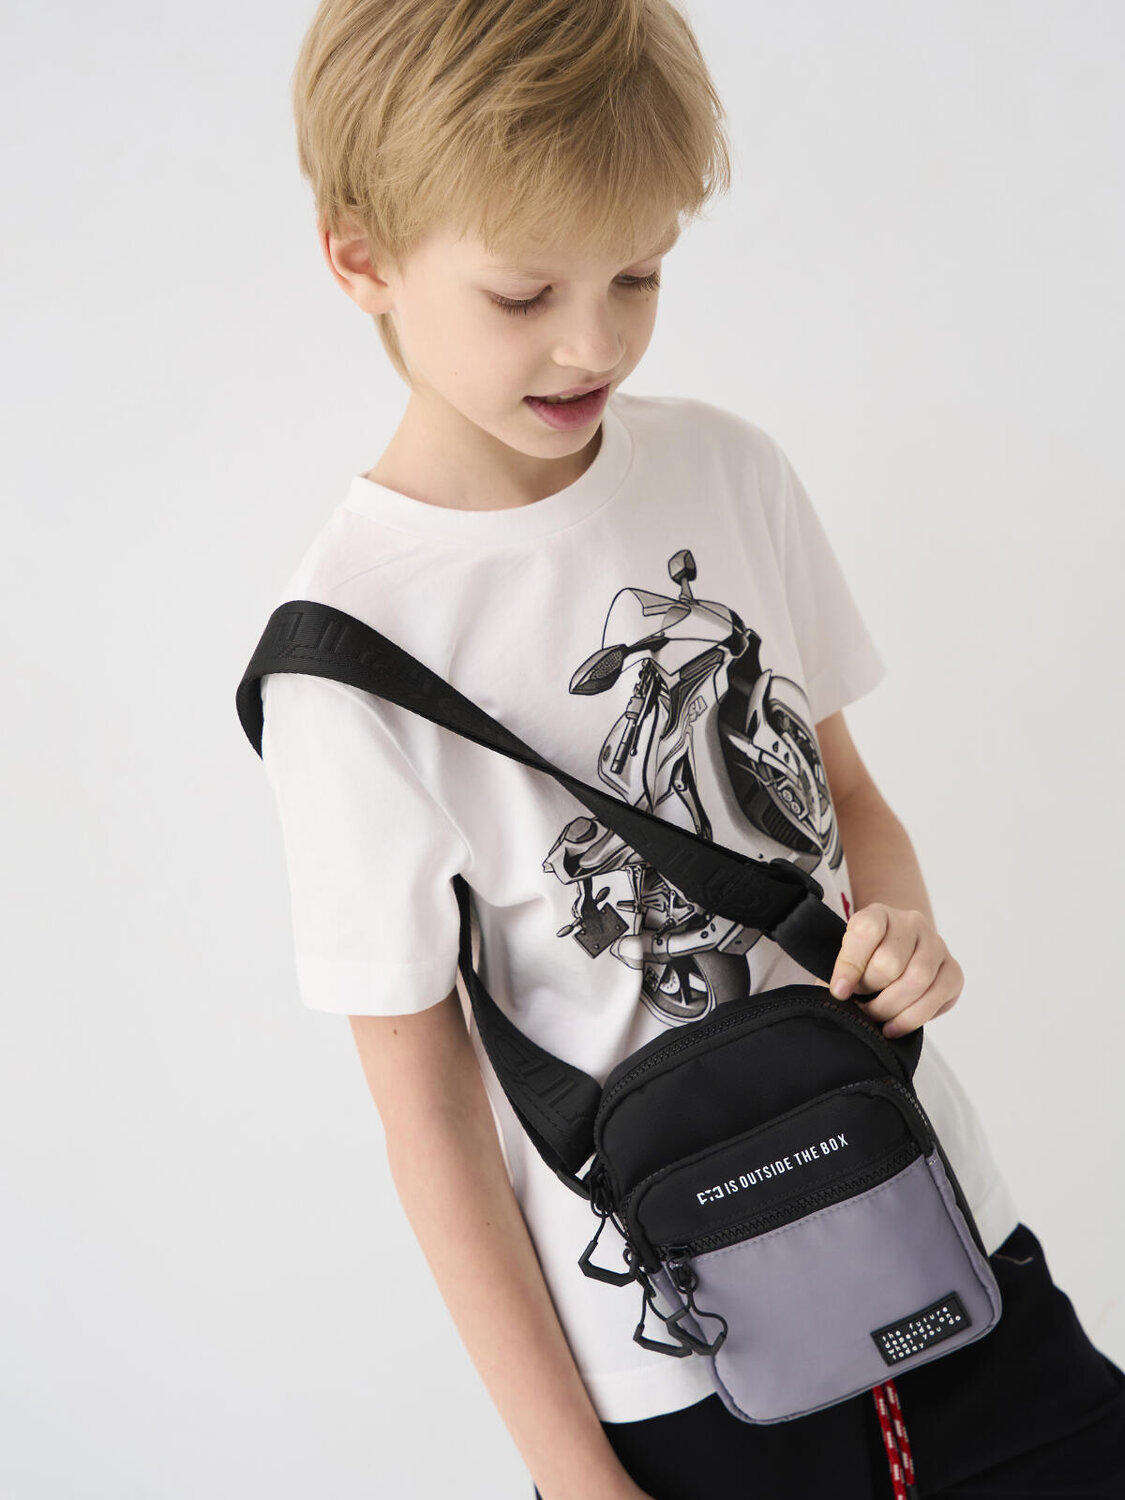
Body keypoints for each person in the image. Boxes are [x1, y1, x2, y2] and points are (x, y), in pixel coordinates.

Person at [245, 2, 1125, 1495]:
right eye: (522, 292)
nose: (592, 341)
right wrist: (576, 1474)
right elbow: (431, 1125)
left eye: (638, 274)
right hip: (677, 1362)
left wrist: (902, 929)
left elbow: (848, 798)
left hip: (936, 1231)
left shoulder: (728, 470)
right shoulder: (346, 660)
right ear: (361, 258)